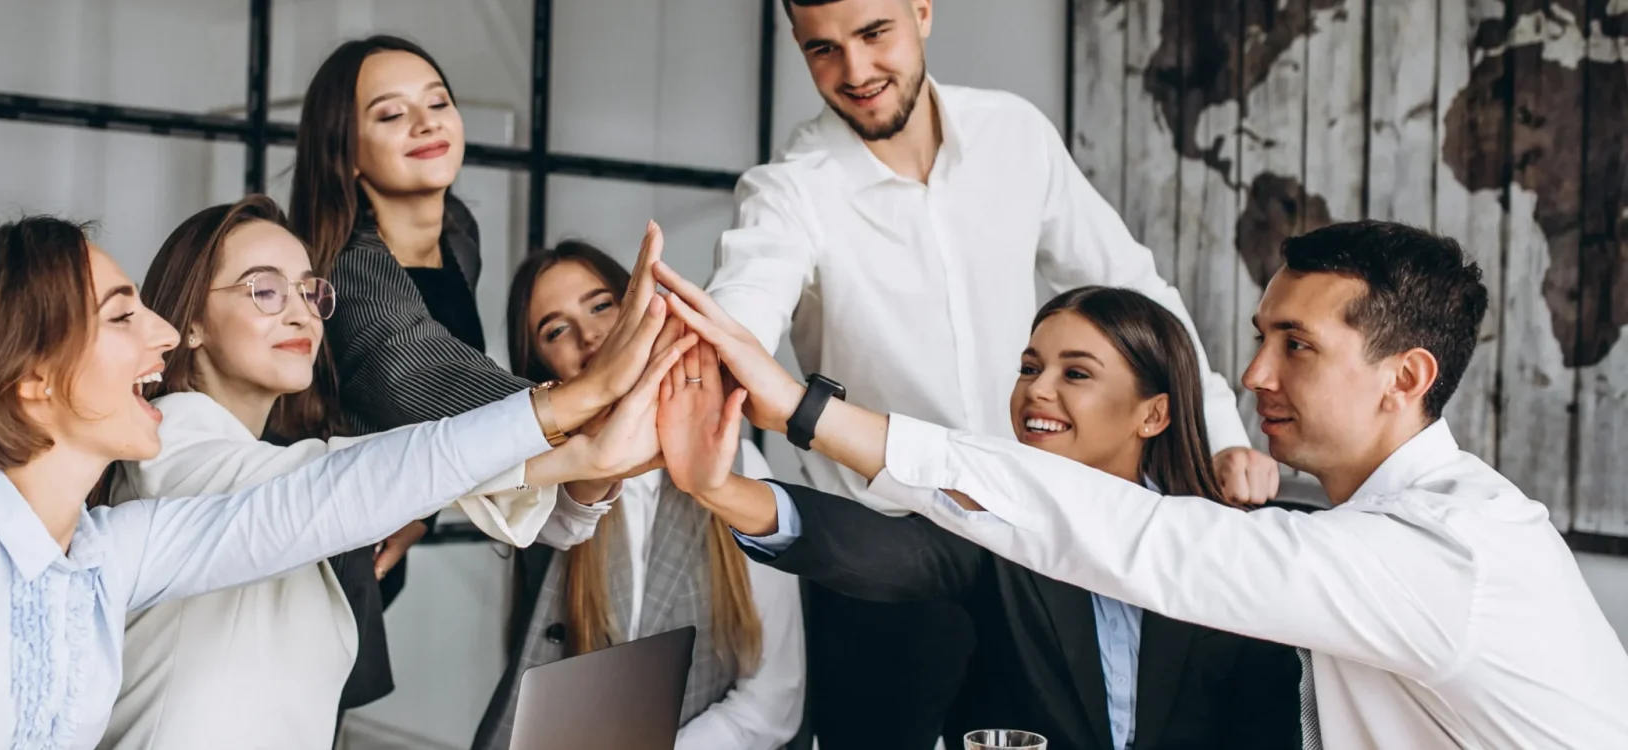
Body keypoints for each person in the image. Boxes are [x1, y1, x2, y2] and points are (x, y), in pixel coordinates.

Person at [0, 215, 682, 750]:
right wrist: (567, 411)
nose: (158, 334)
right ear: (29, 380)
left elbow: (317, 500)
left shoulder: (105, 556)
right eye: (122, 317)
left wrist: (566, 431)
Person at [654, 222, 1628, 748]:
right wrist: (729, 485)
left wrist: (804, 410)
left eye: (1295, 346)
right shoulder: (1376, 529)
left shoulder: (1437, 554)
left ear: (1403, 377)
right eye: (1258, 338)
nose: (1251, 376)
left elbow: (1137, 541)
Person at [705, 1, 1277, 742]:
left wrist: (1222, 434)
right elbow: (744, 310)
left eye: (874, 34)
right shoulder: (790, 191)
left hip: (1030, 551)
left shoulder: (1016, 136)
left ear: (921, 11)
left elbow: (1135, 291)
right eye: (823, 50)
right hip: (885, 564)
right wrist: (725, 364)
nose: (855, 72)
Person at [97, 198, 650, 750]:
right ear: (189, 324)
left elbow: (383, 482)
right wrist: (578, 408)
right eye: (264, 290)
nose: (300, 313)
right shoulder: (168, 439)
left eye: (310, 291)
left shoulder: (275, 463)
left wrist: (584, 461)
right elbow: (350, 480)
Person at [663, 285, 1299, 750]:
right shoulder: (1000, 524)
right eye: (1029, 368)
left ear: (1153, 415)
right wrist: (720, 489)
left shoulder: (1221, 543)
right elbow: (877, 549)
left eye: (1075, 372)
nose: (1036, 390)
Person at [287, 34, 673, 710]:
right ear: (344, 155)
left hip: (375, 539)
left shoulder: (457, 235)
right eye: (390, 114)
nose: (426, 121)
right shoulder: (345, 266)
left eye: (437, 101)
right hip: (305, 551)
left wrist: (422, 509)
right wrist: (595, 391)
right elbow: (416, 376)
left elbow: (430, 405)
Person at [472, 241, 805, 750]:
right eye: (555, 329)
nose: (590, 335)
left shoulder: (739, 470)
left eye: (602, 305)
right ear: (540, 367)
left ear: (642, 308)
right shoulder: (539, 490)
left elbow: (774, 698)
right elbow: (559, 517)